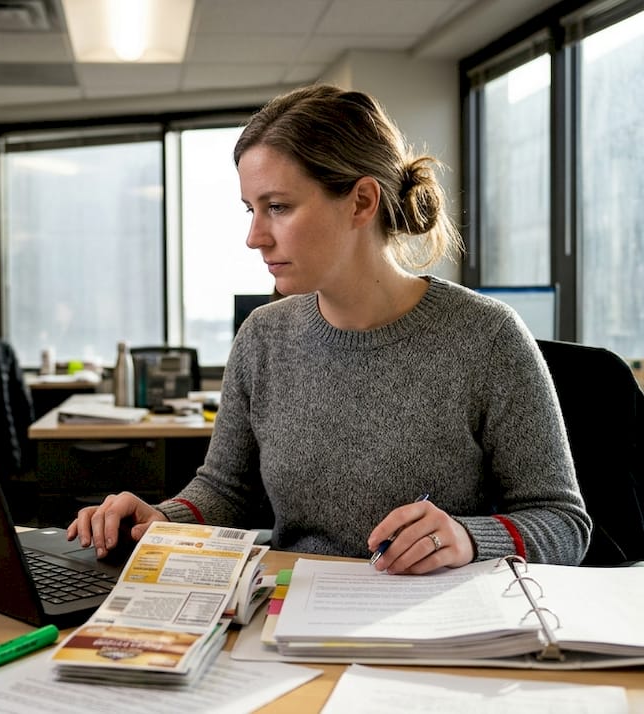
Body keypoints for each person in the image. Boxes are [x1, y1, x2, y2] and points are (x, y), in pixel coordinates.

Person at [68, 84, 592, 574]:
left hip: (426, 627)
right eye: (251, 210)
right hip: (286, 610)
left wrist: (467, 538)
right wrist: (161, 520)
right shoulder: (262, 338)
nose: (254, 237)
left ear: (362, 202)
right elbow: (224, 491)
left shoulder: (487, 336)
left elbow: (562, 523)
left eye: (278, 207)